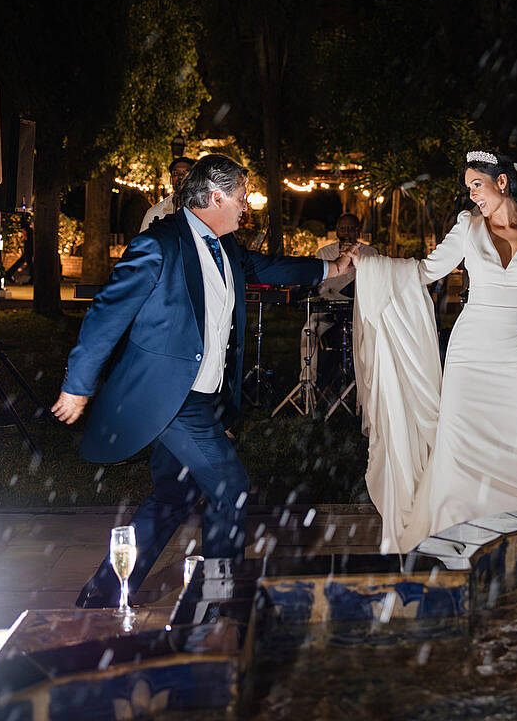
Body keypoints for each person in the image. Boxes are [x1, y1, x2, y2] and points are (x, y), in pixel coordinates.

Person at [52, 154, 355, 607]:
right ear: (215, 196)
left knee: (174, 495)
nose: (244, 206)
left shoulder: (226, 245)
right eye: (239, 197)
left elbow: (266, 268)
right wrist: (78, 383)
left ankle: (105, 591)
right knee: (230, 485)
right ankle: (218, 598)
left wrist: (329, 269)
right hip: (169, 396)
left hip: (208, 396)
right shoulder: (159, 244)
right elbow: (106, 313)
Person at [348, 151, 517, 552]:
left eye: (476, 186)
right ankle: (455, 530)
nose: (472, 196)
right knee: (462, 444)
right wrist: (372, 264)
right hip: (470, 354)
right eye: (468, 189)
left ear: (502, 182)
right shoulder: (467, 227)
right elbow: (425, 271)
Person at [305, 214, 377, 386]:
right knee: (308, 331)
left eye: (351, 229)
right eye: (343, 228)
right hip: (329, 310)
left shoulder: (371, 253)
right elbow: (320, 286)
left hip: (361, 311)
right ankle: (308, 382)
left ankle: (369, 383)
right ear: (337, 230)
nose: (347, 233)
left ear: (358, 231)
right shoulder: (325, 253)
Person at [139, 156, 195, 233]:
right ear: (171, 179)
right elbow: (144, 243)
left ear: (195, 178)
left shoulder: (207, 210)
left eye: (186, 173)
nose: (181, 176)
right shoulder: (155, 213)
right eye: (176, 173)